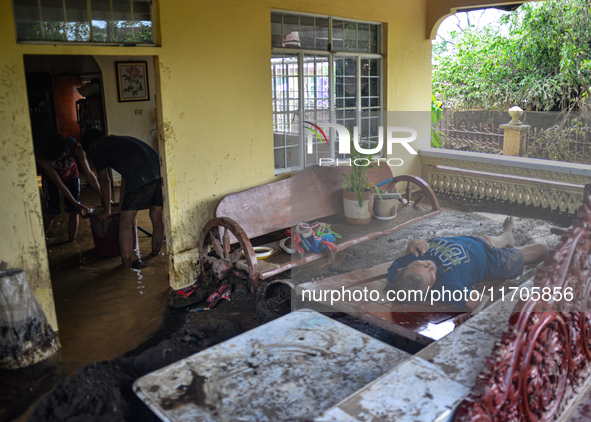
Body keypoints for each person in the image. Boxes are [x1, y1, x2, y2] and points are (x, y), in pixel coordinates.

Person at [384, 217, 549, 311]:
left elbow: (401, 261)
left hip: (469, 242)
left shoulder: (398, 274)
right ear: (430, 288)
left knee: (484, 239)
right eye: (432, 274)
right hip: (491, 260)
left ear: (403, 268)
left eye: (422, 263)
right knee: (542, 249)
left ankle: (506, 237)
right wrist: (471, 316)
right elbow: (482, 302)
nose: (431, 266)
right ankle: (508, 241)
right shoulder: (447, 289)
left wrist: (410, 246)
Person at [81, 129, 164, 267]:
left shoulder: (96, 148)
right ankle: (154, 258)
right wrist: (121, 204)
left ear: (88, 146)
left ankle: (126, 267)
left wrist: (107, 210)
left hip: (140, 174)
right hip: (159, 169)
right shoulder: (118, 141)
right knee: (156, 216)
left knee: (125, 222)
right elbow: (125, 175)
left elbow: (104, 180)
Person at [36, 133, 102, 242]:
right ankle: (40, 241)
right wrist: (75, 202)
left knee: (74, 210)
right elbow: (58, 182)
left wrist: (102, 196)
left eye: (58, 158)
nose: (54, 162)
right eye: (52, 160)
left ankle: (72, 242)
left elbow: (89, 174)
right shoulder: (41, 156)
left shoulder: (76, 148)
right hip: (50, 180)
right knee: (51, 211)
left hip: (71, 176)